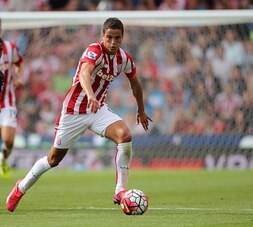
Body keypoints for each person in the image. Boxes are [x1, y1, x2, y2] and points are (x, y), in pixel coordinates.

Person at [6, 17, 152, 212]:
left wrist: (141, 109)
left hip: (98, 110)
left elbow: (135, 83)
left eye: (117, 38)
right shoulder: (94, 50)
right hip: (74, 111)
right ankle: (20, 187)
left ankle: (119, 191)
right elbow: (84, 73)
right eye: (109, 37)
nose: (113, 42)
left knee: (125, 136)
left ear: (123, 38)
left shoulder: (124, 59)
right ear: (103, 36)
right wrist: (90, 95)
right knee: (53, 160)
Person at [0, 19, 24, 179]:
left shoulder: (10, 48)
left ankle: (3, 160)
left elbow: (19, 63)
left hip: (6, 102)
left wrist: (19, 77)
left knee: (8, 141)